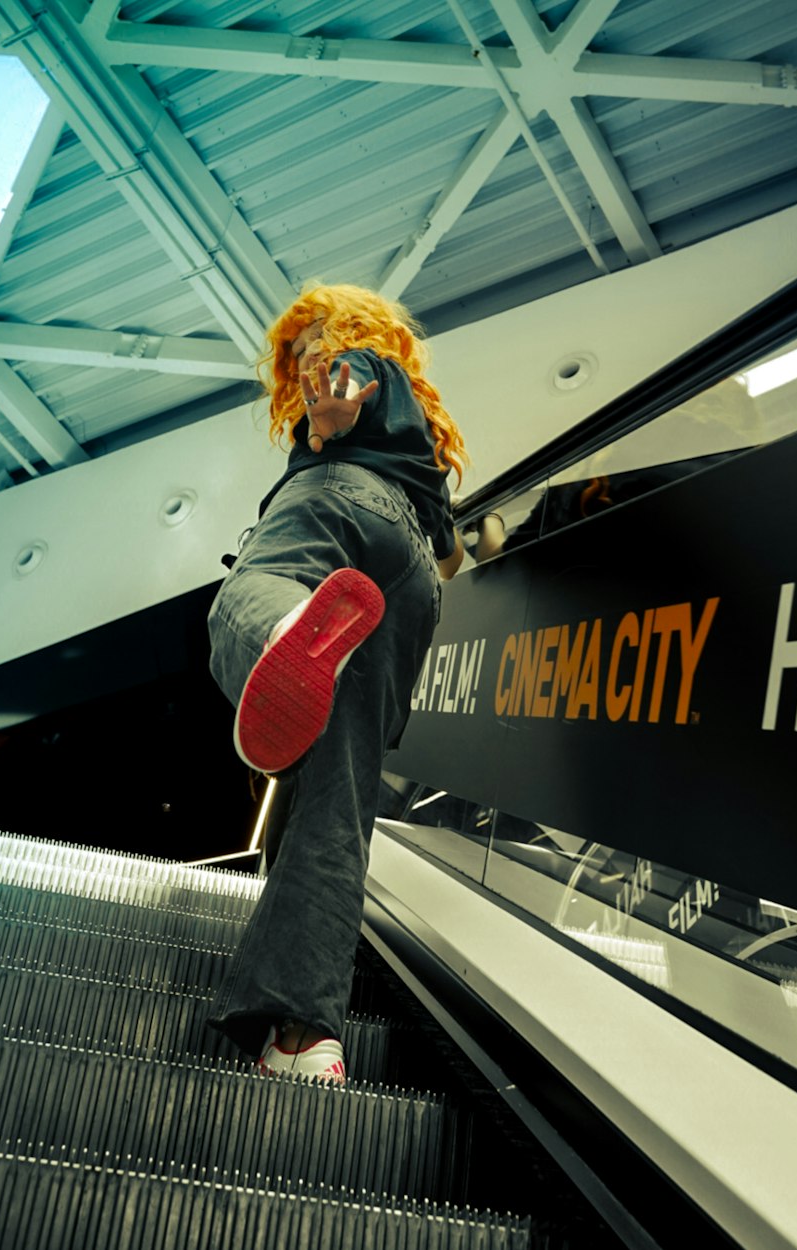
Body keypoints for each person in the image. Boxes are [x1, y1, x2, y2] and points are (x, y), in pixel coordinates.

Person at [206, 283, 468, 1081]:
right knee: (336, 799)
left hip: (336, 515)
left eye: (310, 342)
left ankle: (285, 630)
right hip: (411, 575)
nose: (305, 359)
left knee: (242, 603)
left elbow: (345, 386)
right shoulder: (425, 435)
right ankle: (301, 1035)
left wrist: (327, 425)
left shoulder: (353, 368)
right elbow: (450, 551)